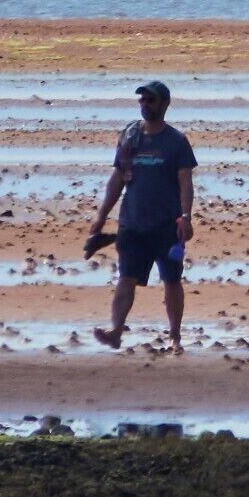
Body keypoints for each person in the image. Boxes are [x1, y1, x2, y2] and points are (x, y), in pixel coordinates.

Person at [86, 78, 196, 349]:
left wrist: (186, 216)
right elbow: (117, 179)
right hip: (132, 223)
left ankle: (175, 337)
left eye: (151, 100)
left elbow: (185, 182)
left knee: (171, 280)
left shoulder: (176, 142)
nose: (145, 105)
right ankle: (116, 332)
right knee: (126, 278)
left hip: (166, 225)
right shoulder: (130, 137)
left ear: (164, 104)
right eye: (142, 100)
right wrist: (101, 215)